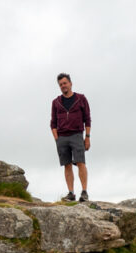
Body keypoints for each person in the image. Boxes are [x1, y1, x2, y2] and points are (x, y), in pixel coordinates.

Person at [50, 73, 91, 202]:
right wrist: (57, 139)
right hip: (62, 137)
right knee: (67, 165)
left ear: (70, 83)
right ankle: (71, 194)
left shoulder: (81, 99)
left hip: (77, 135)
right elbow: (53, 123)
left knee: (81, 163)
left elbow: (87, 119)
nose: (63, 86)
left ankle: (84, 192)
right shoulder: (56, 102)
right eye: (61, 84)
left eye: (65, 83)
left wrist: (87, 137)